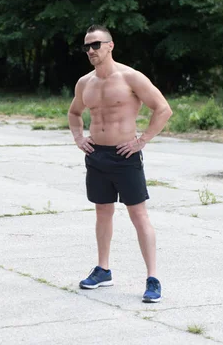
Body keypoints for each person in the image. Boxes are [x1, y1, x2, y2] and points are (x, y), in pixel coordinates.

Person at [67, 24, 172, 303]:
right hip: (97, 157)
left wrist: (142, 140)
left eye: (96, 45)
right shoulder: (84, 82)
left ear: (110, 46)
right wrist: (79, 137)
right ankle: (103, 270)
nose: (91, 50)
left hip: (125, 157)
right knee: (102, 212)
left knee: (139, 216)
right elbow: (75, 112)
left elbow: (163, 109)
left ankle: (152, 278)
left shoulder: (131, 77)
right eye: (87, 46)